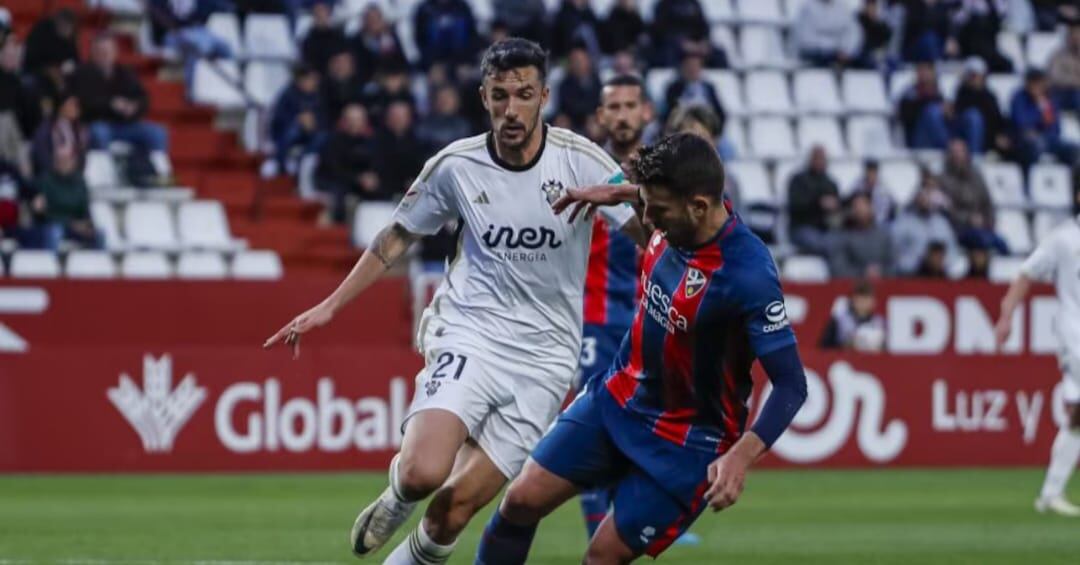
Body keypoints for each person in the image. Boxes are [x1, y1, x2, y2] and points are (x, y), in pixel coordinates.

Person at [264, 38, 645, 564]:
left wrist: (629, 196)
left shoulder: (582, 161)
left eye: (524, 95)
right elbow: (395, 237)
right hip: (473, 332)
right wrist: (331, 305)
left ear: (545, 96)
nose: (512, 110)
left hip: (546, 359)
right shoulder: (456, 166)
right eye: (500, 96)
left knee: (454, 512)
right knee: (423, 474)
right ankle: (398, 493)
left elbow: (649, 235)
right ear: (483, 97)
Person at [475, 133, 808, 564]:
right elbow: (652, 198)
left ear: (700, 207)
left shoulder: (748, 275)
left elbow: (791, 385)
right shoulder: (673, 211)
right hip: (617, 398)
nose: (647, 219)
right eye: (644, 203)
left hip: (687, 443)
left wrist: (741, 456)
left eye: (658, 210)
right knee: (519, 500)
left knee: (602, 556)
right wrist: (615, 192)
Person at [578, 73, 704, 547]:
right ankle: (600, 534)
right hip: (593, 317)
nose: (623, 115)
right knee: (598, 423)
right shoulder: (582, 165)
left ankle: (627, 521)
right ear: (601, 115)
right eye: (614, 106)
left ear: (646, 112)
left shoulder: (666, 171)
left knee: (649, 423)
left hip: (650, 317)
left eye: (631, 105)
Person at [994, 214, 1080, 516]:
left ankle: (1050, 494)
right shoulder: (1064, 238)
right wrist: (1006, 315)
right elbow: (1027, 273)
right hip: (1075, 336)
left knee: (1078, 417)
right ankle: (1051, 493)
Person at [71, 33, 172, 181]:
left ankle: (159, 176)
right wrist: (110, 104)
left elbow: (143, 99)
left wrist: (133, 107)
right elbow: (83, 103)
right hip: (97, 122)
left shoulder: (125, 73)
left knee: (157, 133)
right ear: (93, 53)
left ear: (115, 53)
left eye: (108, 51)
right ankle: (106, 178)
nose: (105, 55)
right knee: (99, 133)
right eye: (101, 52)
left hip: (126, 124)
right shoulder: (83, 74)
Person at [314, 103, 377, 224]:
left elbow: (376, 164)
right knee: (340, 193)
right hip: (334, 181)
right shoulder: (333, 142)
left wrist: (371, 178)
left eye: (359, 120)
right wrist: (358, 179)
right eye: (351, 120)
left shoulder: (371, 142)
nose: (355, 123)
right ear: (344, 121)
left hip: (360, 184)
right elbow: (334, 170)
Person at [1010, 69, 1079, 169]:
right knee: (1035, 144)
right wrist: (1039, 116)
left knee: (1073, 149)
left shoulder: (1050, 99)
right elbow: (1021, 123)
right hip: (1026, 141)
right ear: (1028, 84)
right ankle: (1031, 181)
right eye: (1034, 83)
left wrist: (1044, 110)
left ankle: (1072, 180)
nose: (1037, 87)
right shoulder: (1019, 98)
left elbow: (1056, 128)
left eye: (1039, 83)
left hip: (1050, 139)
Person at [891, 177, 961, 276]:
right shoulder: (904, 222)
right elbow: (893, 252)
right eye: (924, 192)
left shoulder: (942, 224)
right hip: (910, 276)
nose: (926, 198)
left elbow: (952, 254)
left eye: (930, 193)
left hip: (938, 276)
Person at [269, 64, 326, 175]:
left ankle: (303, 164)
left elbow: (324, 115)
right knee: (292, 131)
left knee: (323, 136)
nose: (315, 83)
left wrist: (314, 122)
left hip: (311, 131)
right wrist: (298, 119)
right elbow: (278, 117)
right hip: (285, 130)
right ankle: (280, 165)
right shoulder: (288, 94)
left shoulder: (318, 95)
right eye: (312, 79)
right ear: (301, 80)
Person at [788, 145, 842, 256]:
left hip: (826, 229)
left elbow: (837, 210)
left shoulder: (831, 183)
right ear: (810, 159)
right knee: (821, 244)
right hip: (802, 227)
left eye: (822, 158)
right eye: (817, 158)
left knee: (843, 241)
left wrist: (835, 208)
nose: (820, 161)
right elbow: (795, 206)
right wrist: (818, 203)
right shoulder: (798, 180)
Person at [953, 57, 1011, 155]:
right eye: (972, 75)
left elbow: (997, 119)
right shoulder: (961, 94)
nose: (975, 78)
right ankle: (975, 156)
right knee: (974, 117)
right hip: (964, 138)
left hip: (988, 139)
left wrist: (1002, 134)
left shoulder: (990, 96)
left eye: (977, 75)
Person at [829, 192, 893, 278]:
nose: (860, 209)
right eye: (856, 206)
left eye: (864, 205)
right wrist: (863, 272)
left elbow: (895, 264)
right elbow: (838, 268)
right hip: (853, 287)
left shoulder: (885, 236)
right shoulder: (843, 237)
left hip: (886, 285)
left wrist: (881, 271)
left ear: (872, 208)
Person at [819, 278, 885, 351]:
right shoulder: (839, 321)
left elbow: (885, 350)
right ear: (853, 300)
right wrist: (848, 344)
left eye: (866, 299)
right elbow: (824, 348)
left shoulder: (879, 323)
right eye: (860, 299)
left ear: (873, 301)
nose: (863, 303)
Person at [793, 0, 862, 68]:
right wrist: (835, 49)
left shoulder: (843, 7)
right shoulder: (808, 8)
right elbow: (806, 40)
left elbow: (853, 33)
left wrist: (846, 51)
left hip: (841, 54)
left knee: (865, 60)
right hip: (815, 53)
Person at [413, 0, 479, 70]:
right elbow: (420, 41)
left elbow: (472, 37)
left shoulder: (463, 7)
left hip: (462, 61)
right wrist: (431, 64)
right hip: (434, 62)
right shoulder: (424, 9)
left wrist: (467, 61)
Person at [556, 46, 602, 132]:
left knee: (596, 124)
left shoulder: (596, 81)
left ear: (588, 61)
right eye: (574, 61)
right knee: (561, 122)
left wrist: (590, 115)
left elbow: (598, 102)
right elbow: (566, 105)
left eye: (581, 60)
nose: (578, 64)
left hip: (591, 118)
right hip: (571, 118)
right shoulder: (565, 83)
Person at [300, 0, 347, 75]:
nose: (320, 15)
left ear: (328, 13)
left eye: (322, 11)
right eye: (317, 12)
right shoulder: (308, 40)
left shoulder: (339, 37)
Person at [1047, 24, 1080, 114]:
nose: (1076, 42)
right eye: (1074, 38)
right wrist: (1076, 81)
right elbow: (1055, 77)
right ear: (1068, 39)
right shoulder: (1058, 55)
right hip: (1062, 93)